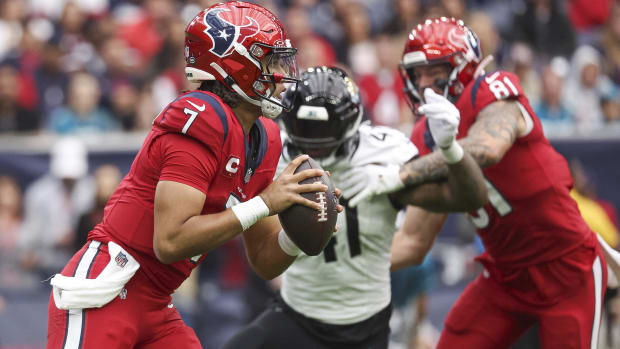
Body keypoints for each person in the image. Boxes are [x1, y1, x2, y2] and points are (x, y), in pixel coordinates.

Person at [46, 3, 340, 348]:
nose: (280, 74)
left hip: (156, 301)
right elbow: (170, 242)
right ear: (235, 64)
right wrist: (263, 204)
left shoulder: (265, 136)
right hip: (105, 290)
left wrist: (298, 231)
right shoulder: (200, 114)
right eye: (270, 61)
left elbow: (263, 260)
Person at [350, 17, 608, 349]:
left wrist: (396, 176)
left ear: (463, 67)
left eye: (435, 70)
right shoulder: (424, 135)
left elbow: (486, 148)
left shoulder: (492, 90)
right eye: (417, 73)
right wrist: (348, 263)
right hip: (505, 276)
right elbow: (413, 241)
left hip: (566, 269)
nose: (424, 83)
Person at [222, 66, 487, 349]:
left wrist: (451, 150)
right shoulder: (273, 155)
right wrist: (294, 236)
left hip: (364, 324)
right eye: (307, 133)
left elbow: (468, 197)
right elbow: (264, 263)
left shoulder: (384, 155)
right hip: (297, 311)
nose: (317, 152)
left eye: (325, 138)